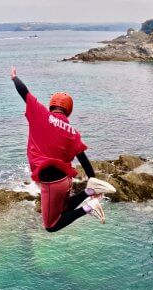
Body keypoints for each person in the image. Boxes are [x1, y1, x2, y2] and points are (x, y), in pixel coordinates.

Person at [11, 66, 116, 232]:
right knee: (64, 208)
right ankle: (89, 191)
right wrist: (92, 179)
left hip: (51, 181)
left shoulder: (41, 114)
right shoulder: (72, 132)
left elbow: (25, 93)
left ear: (52, 105)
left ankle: (89, 208)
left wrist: (14, 78)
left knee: (51, 226)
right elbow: (84, 159)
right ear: (68, 110)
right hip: (65, 181)